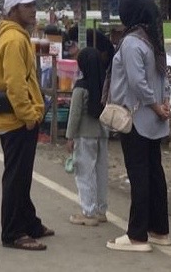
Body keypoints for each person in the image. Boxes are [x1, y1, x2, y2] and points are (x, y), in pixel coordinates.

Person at [106, 0, 171, 253]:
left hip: (136, 117)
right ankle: (159, 229)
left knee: (139, 175)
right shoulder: (153, 40)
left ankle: (137, 235)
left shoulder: (132, 42)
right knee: (155, 173)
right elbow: (163, 77)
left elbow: (136, 82)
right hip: (154, 118)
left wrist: (155, 104)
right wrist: (164, 104)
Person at [0, 0, 51, 251]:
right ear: (14, 11)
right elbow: (15, 84)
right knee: (17, 176)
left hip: (16, 117)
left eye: (34, 4)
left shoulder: (13, 35)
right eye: (27, 6)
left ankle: (29, 221)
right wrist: (28, 115)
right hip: (17, 119)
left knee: (21, 174)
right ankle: (13, 231)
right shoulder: (14, 40)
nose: (33, 9)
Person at [66, 46, 109, 226]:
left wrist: (69, 137)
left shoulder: (81, 87)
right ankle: (100, 210)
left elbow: (74, 115)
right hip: (103, 134)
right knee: (100, 172)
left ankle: (88, 212)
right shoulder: (104, 86)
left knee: (84, 172)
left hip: (85, 134)